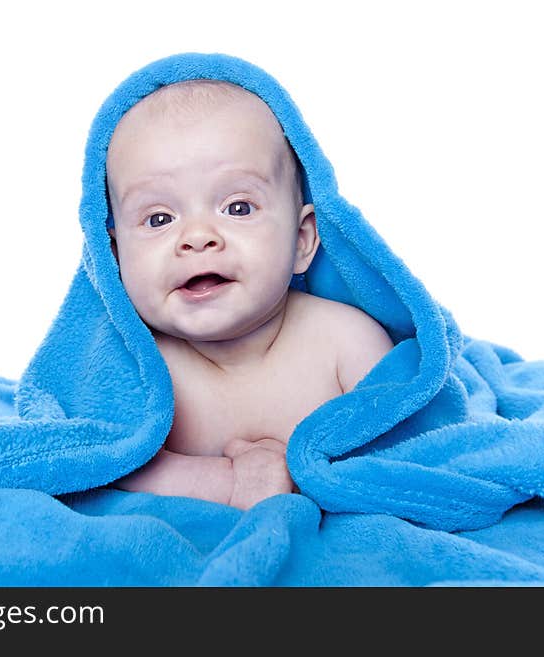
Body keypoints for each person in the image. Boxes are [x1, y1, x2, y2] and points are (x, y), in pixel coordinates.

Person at [105, 79, 394, 509]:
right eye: (159, 218)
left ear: (301, 240)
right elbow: (100, 460)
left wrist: (314, 477)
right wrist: (218, 480)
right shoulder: (136, 368)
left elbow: (408, 449)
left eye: (238, 208)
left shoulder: (346, 343)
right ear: (115, 257)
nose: (197, 237)